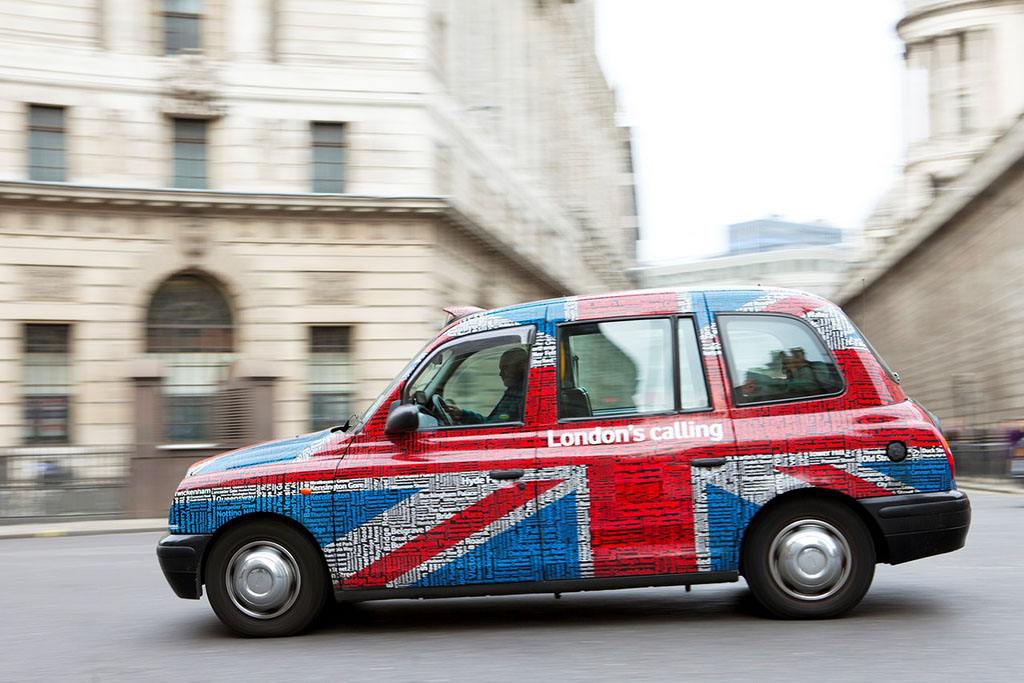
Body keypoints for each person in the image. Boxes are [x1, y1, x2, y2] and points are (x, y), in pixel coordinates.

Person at [444, 347, 529, 424]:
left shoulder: (520, 395)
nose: (501, 374)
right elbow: (490, 422)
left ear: (522, 366)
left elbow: (494, 426)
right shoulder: (513, 392)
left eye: (505, 368)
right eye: (501, 369)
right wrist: (462, 414)